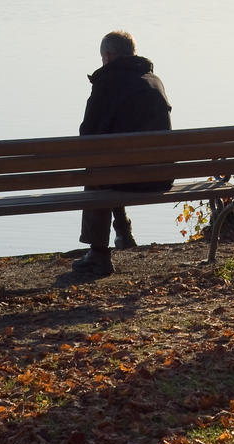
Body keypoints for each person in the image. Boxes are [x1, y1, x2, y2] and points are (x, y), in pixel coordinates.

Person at [72, 30, 173, 277]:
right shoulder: (154, 81)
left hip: (126, 176)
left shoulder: (106, 82)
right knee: (112, 167)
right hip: (160, 176)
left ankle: (98, 253)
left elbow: (88, 135)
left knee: (98, 170)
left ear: (108, 55)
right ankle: (123, 232)